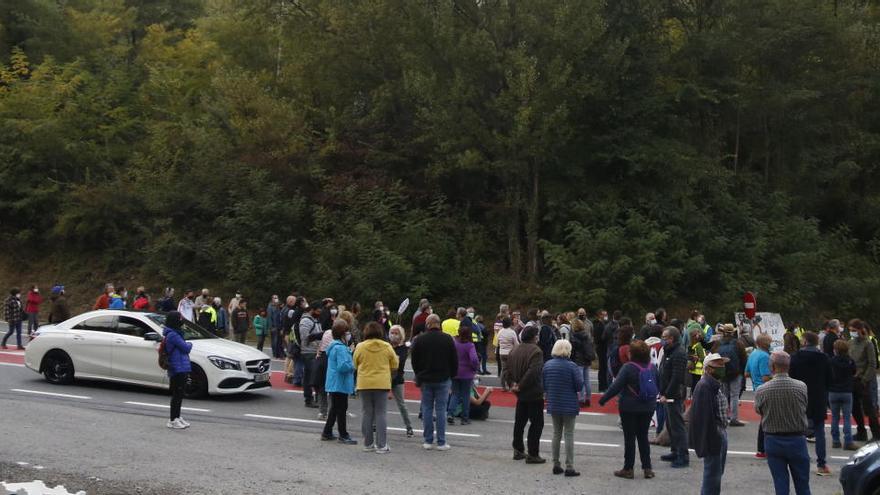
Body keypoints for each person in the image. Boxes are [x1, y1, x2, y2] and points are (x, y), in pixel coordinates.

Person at [754, 350, 811, 495]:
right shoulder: (801, 386)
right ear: (788, 366)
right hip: (797, 439)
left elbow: (759, 411)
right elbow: (804, 406)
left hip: (773, 439)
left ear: (772, 367)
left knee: (780, 484)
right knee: (803, 484)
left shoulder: (762, 390)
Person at [600, 340, 657, 479]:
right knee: (643, 437)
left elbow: (616, 387)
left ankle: (628, 468)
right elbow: (658, 384)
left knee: (629, 438)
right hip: (648, 406)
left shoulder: (628, 367)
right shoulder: (652, 367)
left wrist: (603, 399)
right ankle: (647, 468)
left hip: (629, 407)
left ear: (632, 353)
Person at [411, 314, 458, 451]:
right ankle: (442, 442)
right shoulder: (448, 339)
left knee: (427, 409)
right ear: (439, 324)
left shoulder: (420, 340)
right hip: (443, 378)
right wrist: (452, 375)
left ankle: (428, 440)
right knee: (441, 409)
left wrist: (419, 374)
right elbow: (454, 359)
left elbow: (415, 360)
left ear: (427, 324)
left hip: (426, 378)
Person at [789, 331, 833, 476]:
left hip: (799, 395)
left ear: (805, 342)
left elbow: (791, 376)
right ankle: (821, 464)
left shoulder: (796, 357)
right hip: (819, 397)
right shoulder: (824, 358)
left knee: (798, 431)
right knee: (819, 431)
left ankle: (799, 462)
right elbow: (829, 379)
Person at [503, 326, 546, 464]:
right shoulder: (536, 351)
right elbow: (533, 372)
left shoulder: (514, 350)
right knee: (536, 424)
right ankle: (533, 453)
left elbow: (506, 370)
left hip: (519, 392)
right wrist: (520, 385)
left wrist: (512, 384)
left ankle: (518, 449)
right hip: (533, 392)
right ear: (534, 337)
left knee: (520, 422)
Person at [353, 321, 398, 454]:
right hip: (382, 383)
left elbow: (355, 364)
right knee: (380, 413)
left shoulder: (360, 346)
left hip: (364, 383)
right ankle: (381, 445)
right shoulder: (387, 346)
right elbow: (395, 364)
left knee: (367, 413)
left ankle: (367, 443)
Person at [689, 353, 730, 495]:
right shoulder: (705, 386)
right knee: (712, 476)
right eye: (718, 365)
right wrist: (710, 439)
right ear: (708, 369)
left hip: (719, 432)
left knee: (716, 474)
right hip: (715, 434)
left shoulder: (714, 385)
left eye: (723, 364)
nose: (722, 367)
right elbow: (703, 417)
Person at [543, 339, 584, 477]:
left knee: (556, 433)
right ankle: (569, 466)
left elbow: (544, 385)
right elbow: (579, 386)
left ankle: (555, 464)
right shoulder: (572, 366)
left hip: (553, 402)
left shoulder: (547, 365)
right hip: (569, 404)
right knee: (569, 434)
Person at [321, 319, 357, 445]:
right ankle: (343, 434)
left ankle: (327, 432)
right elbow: (343, 367)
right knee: (341, 409)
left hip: (334, 383)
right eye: (347, 332)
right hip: (340, 383)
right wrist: (353, 365)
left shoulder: (334, 346)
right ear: (343, 334)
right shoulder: (341, 348)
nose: (349, 334)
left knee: (335, 409)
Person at [659, 327, 689, 468]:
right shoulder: (668, 351)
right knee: (670, 425)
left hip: (674, 395)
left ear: (671, 338)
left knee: (677, 426)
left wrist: (667, 394)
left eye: (664, 337)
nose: (662, 339)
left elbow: (677, 377)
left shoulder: (679, 353)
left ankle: (683, 456)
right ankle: (675, 451)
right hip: (667, 394)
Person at [848, 319, 880, 442]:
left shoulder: (868, 344)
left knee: (869, 408)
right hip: (853, 379)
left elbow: (872, 364)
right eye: (850, 330)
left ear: (860, 330)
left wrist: (865, 379)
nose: (852, 333)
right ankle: (861, 431)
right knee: (855, 408)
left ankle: (876, 433)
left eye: (854, 330)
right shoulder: (850, 343)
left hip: (864, 380)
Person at [745, 334, 773, 458]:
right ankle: (763, 449)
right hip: (765, 390)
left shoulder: (753, 354)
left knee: (764, 419)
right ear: (764, 343)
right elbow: (766, 377)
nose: (770, 344)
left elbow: (746, 373)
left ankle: (762, 449)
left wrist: (754, 379)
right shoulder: (765, 356)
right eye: (769, 342)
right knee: (767, 420)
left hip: (757, 389)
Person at [163, 311, 192, 429]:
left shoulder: (175, 333)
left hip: (181, 366)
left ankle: (177, 417)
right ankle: (172, 419)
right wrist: (189, 343)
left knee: (180, 395)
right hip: (177, 367)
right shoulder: (173, 335)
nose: (181, 321)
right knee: (177, 395)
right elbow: (186, 348)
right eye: (179, 319)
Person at [714, 324, 747, 427]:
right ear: (733, 332)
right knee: (734, 396)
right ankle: (734, 418)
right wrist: (741, 371)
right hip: (736, 373)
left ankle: (724, 416)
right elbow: (744, 359)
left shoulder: (718, 344)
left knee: (724, 395)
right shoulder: (738, 344)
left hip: (723, 373)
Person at [829, 339, 859, 450]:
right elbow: (854, 372)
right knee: (847, 417)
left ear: (835, 350)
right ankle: (848, 441)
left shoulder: (831, 361)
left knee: (835, 417)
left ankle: (835, 440)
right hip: (846, 390)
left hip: (833, 391)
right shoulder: (850, 361)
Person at [448, 322, 480, 425]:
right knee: (465, 395)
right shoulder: (470, 345)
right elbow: (474, 359)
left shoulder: (454, 343)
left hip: (455, 371)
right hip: (467, 373)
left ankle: (450, 414)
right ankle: (464, 418)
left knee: (455, 394)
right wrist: (475, 368)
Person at [388, 325, 414, 437]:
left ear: (401, 335)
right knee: (380, 404)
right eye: (391, 332)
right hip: (385, 378)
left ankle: (409, 427)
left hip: (398, 380)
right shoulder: (386, 346)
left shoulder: (404, 349)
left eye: (396, 333)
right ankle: (375, 424)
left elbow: (399, 362)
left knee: (402, 405)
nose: (393, 335)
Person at [299, 301, 324, 408]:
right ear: (312, 310)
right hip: (308, 351)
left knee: (316, 376)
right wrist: (318, 336)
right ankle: (308, 399)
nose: (319, 313)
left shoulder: (315, 320)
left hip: (315, 351)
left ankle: (316, 398)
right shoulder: (305, 320)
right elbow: (305, 337)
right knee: (309, 377)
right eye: (318, 311)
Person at [570, 317, 596, 406]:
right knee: (587, 380)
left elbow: (573, 350)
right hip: (587, 359)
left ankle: (581, 399)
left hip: (578, 360)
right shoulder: (586, 335)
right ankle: (588, 398)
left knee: (580, 381)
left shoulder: (574, 337)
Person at [496, 317, 520, 391]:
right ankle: (510, 386)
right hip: (510, 353)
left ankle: (503, 386)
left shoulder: (500, 332)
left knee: (504, 370)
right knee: (511, 370)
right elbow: (516, 344)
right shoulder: (512, 332)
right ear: (510, 323)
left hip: (502, 353)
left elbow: (497, 342)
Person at [688, 328, 707, 397]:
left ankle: (693, 396)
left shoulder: (692, 345)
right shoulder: (699, 345)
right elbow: (702, 358)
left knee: (694, 384)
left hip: (693, 368)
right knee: (697, 384)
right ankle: (697, 396)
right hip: (699, 369)